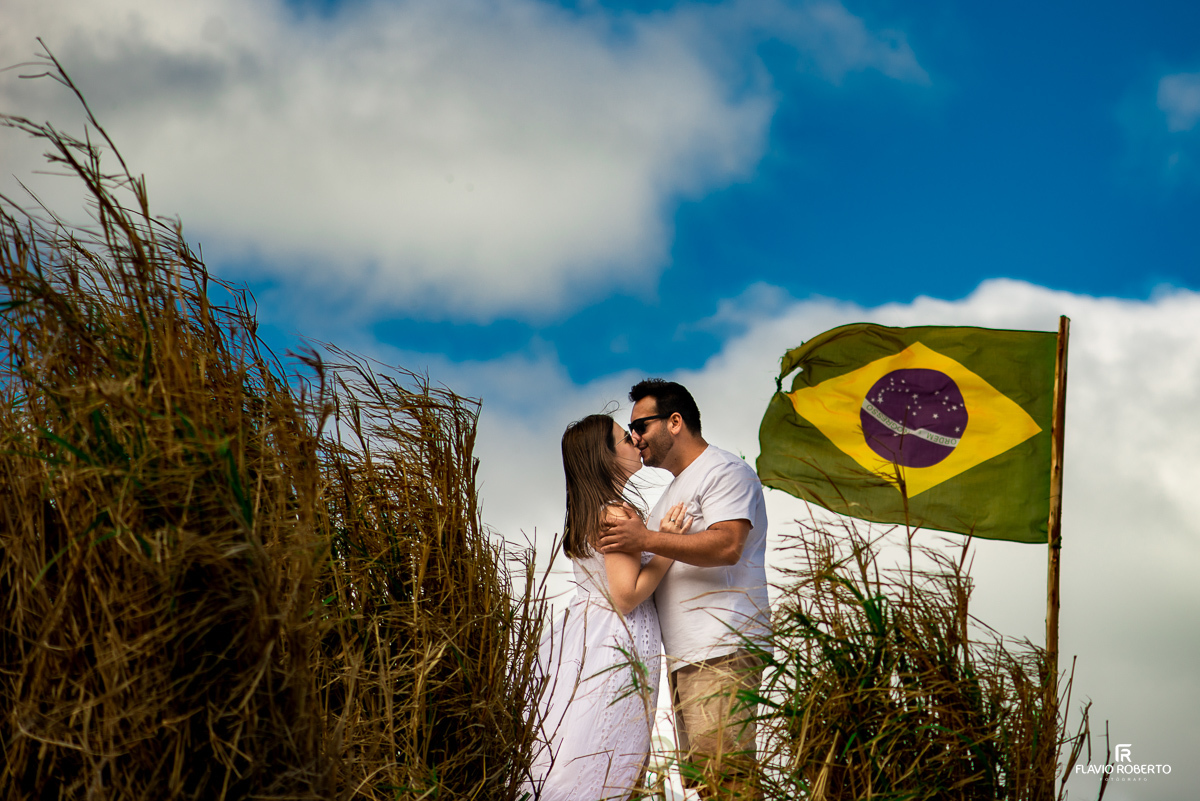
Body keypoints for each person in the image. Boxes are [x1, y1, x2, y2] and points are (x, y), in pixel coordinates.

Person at [599, 379, 770, 800]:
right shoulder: (671, 492)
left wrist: (645, 540)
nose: (635, 437)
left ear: (675, 422)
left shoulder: (724, 471)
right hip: (688, 657)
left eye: (640, 426)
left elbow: (728, 545)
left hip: (721, 646)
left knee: (727, 776)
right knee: (708, 785)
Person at [524, 414, 693, 801]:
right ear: (604, 457)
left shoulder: (591, 511)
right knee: (607, 742)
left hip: (589, 636)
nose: (635, 441)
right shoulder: (615, 513)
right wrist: (666, 545)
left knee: (581, 739)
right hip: (618, 639)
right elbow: (626, 595)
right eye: (623, 438)